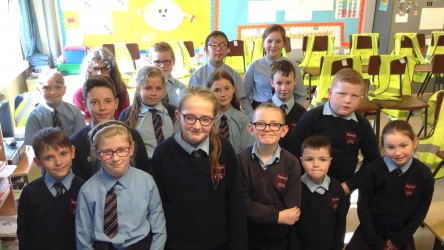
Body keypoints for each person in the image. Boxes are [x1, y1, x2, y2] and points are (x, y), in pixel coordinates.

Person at [151, 87, 247, 249]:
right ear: (177, 115)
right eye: (189, 118)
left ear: (214, 119)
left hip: (218, 244)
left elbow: (235, 203)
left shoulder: (224, 149)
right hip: (176, 244)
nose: (197, 126)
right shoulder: (163, 153)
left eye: (205, 119)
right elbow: (157, 207)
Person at [288, 68, 380, 202]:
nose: (348, 100)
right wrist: (302, 183)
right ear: (330, 93)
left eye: (354, 96)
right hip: (307, 188)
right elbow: (293, 152)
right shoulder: (311, 118)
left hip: (342, 190)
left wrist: (350, 186)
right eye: (342, 94)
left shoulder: (362, 125)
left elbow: (373, 160)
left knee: (337, 222)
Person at [76, 121, 166, 249]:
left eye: (122, 150)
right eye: (107, 152)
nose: (115, 158)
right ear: (96, 153)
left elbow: (159, 228)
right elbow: (83, 238)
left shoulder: (147, 182)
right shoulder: (87, 191)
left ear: (131, 149)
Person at [347, 120, 434, 250]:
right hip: (370, 233)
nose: (398, 153)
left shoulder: (424, 174)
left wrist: (398, 241)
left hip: (401, 236)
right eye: (391, 147)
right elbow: (363, 207)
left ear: (414, 142)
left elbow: (420, 212)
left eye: (403, 145)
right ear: (383, 146)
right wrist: (375, 242)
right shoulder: (372, 170)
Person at [238, 102, 301, 250]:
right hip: (248, 238)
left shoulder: (291, 163)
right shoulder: (240, 160)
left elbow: (292, 210)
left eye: (274, 125)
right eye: (260, 124)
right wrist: (278, 216)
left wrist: (257, 210)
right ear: (250, 129)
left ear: (284, 130)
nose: (267, 129)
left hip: (279, 239)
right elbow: (243, 206)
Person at [70, 75, 150, 180]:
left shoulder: (133, 135)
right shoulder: (76, 142)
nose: (102, 107)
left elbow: (143, 173)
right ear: (85, 106)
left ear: (116, 103)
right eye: (94, 102)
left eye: (108, 101)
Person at [17, 127, 85, 250]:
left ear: (72, 152)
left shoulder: (85, 190)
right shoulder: (29, 192)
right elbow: (23, 232)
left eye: (63, 153)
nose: (58, 162)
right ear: (38, 162)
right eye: (49, 158)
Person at [296, 134, 347, 250]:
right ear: (301, 161)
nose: (316, 164)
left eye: (322, 159)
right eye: (309, 159)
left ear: (330, 161)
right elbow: (291, 228)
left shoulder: (337, 188)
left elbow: (340, 224)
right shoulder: (296, 188)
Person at [243, 24, 306, 117]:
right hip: (260, 111)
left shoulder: (293, 66)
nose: (273, 45)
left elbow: (301, 95)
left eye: (278, 41)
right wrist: (252, 115)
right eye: (269, 41)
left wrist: (293, 113)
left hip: (286, 110)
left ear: (284, 44)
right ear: (263, 43)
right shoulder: (254, 66)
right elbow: (243, 96)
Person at [189, 31, 253, 115]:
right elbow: (192, 102)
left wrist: (253, 118)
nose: (219, 49)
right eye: (214, 45)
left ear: (228, 49)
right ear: (206, 50)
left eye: (223, 45)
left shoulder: (234, 75)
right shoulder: (197, 76)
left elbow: (242, 100)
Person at [119, 66, 176, 159]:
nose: (154, 93)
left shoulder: (173, 112)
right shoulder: (127, 115)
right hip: (144, 166)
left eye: (158, 88)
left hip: (171, 164)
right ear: (138, 89)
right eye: (148, 88)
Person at [24, 69, 85, 145]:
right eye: (46, 88)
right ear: (39, 90)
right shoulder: (34, 117)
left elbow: (81, 140)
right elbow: (31, 147)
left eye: (58, 87)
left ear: (64, 89)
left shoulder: (75, 112)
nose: (53, 92)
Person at [73, 47, 130, 124]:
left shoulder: (121, 90)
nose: (99, 73)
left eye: (104, 69)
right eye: (95, 69)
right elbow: (90, 123)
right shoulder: (79, 94)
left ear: (112, 71)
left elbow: (125, 118)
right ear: (88, 71)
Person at [207, 69, 254, 153]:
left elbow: (247, 151)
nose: (223, 94)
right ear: (209, 92)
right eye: (217, 90)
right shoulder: (206, 120)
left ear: (233, 89)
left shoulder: (243, 119)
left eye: (227, 88)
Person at [269, 60, 306, 150]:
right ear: (272, 83)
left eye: (288, 83)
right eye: (279, 83)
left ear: (295, 81)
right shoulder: (263, 110)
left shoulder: (302, 113)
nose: (284, 88)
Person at [149, 41, 187, 107]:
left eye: (166, 61)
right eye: (157, 62)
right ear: (150, 62)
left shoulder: (182, 89)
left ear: (174, 62)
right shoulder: (144, 89)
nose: (162, 66)